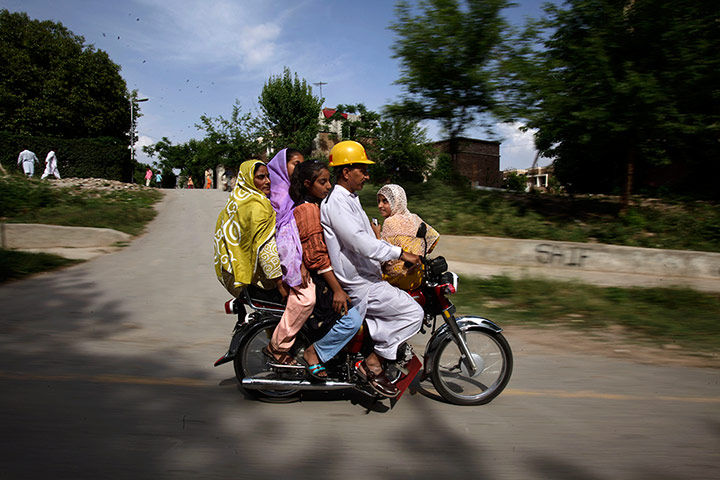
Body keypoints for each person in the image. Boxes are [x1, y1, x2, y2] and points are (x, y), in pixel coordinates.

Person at [320, 140, 423, 397]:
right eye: (362, 170)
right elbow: (359, 242)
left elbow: (368, 238)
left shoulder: (351, 199)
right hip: (359, 283)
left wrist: (388, 254)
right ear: (346, 172)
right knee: (413, 312)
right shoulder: (337, 202)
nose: (367, 176)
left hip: (368, 275)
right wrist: (401, 253)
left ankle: (375, 354)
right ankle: (373, 363)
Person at [290, 160, 363, 378]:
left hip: (326, 274)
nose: (328, 186)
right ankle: (314, 353)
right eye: (322, 182)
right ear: (307, 184)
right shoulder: (308, 210)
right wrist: (337, 290)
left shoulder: (316, 206)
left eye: (328, 181)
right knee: (353, 319)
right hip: (321, 280)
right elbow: (316, 257)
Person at [264, 148, 315, 367]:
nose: (299, 169)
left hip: (296, 252)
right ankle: (277, 346)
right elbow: (283, 237)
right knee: (307, 298)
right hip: (286, 255)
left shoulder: (292, 191)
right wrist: (300, 264)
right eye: (296, 164)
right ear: (281, 166)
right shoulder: (278, 194)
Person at [213, 159, 285, 300]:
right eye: (260, 177)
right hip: (246, 281)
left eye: (268, 176)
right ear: (248, 179)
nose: (268, 181)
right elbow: (265, 248)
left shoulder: (236, 199)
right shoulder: (259, 206)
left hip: (228, 273)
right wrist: (281, 286)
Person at [374, 184, 440, 290]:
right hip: (417, 277)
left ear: (395, 202)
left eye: (385, 201)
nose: (380, 206)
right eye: (378, 201)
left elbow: (381, 255)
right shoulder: (414, 218)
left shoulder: (389, 222)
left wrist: (377, 235)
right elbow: (433, 239)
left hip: (397, 280)